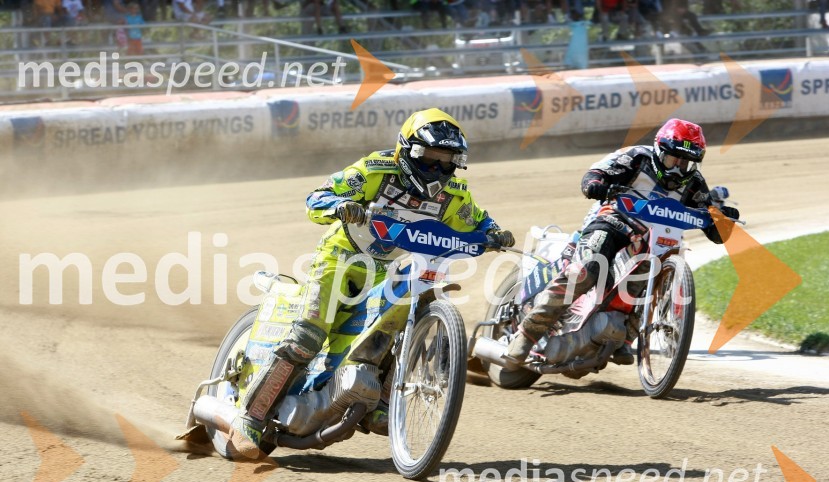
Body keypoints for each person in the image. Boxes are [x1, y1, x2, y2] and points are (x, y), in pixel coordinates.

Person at [229, 109, 516, 459]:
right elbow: (317, 197)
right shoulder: (374, 170)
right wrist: (342, 206)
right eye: (430, 159)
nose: (439, 170)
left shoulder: (454, 194)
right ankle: (251, 418)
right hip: (339, 261)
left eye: (447, 162)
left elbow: (479, 221)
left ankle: (381, 399)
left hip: (385, 270)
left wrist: (495, 235)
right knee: (309, 334)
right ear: (407, 152)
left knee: (396, 323)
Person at [506, 118, 740, 366]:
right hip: (613, 222)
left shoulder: (694, 183)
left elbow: (715, 231)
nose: (679, 169)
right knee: (586, 270)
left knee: (655, 271)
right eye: (675, 160)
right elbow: (596, 173)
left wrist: (723, 220)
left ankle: (623, 339)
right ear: (660, 151)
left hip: (654, 238)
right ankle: (528, 333)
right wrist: (595, 184)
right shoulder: (636, 157)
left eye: (687, 163)